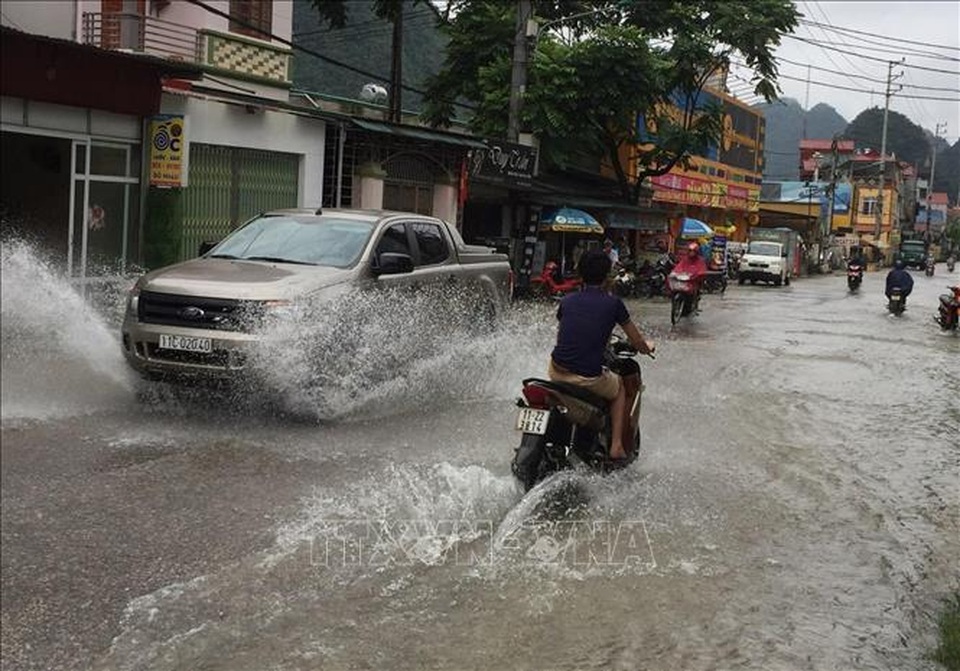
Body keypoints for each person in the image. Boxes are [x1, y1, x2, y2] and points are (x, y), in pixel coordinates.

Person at [548, 250, 655, 461]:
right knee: (620, 389)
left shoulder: (567, 301)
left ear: (580, 274)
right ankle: (616, 447)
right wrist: (647, 347)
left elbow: (565, 333)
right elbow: (637, 341)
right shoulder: (613, 304)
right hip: (587, 377)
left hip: (556, 371)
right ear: (607, 275)